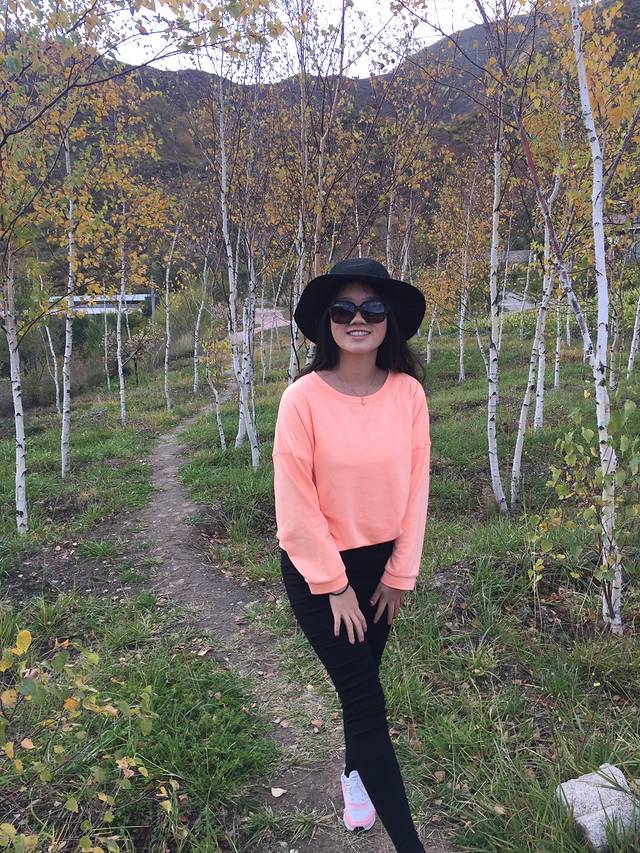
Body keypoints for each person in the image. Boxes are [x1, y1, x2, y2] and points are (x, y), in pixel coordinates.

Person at [272, 257, 430, 853]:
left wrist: (400, 573)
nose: (357, 319)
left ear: (389, 320)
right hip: (320, 572)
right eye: (344, 309)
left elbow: (417, 489)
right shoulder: (302, 399)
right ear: (327, 322)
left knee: (360, 684)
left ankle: (354, 777)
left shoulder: (408, 394)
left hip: (381, 569)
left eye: (372, 308)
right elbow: (296, 505)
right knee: (366, 700)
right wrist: (334, 586)